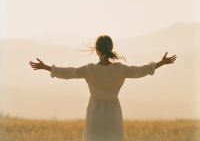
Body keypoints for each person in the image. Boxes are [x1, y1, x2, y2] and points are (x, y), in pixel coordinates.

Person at [29, 35, 176, 141]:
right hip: (114, 114)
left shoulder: (89, 69)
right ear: (110, 49)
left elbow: (68, 72)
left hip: (95, 113)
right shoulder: (120, 69)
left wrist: (46, 67)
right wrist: (161, 63)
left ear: (96, 50)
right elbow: (140, 70)